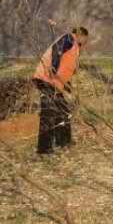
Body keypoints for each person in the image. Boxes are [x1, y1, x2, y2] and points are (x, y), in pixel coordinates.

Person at [34, 26, 89, 156]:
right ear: (80, 35)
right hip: (47, 79)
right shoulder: (69, 38)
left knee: (64, 112)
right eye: (85, 38)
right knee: (49, 113)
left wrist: (69, 89)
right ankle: (44, 151)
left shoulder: (75, 48)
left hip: (55, 83)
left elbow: (66, 70)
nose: (86, 42)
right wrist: (53, 67)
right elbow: (57, 50)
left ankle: (63, 142)